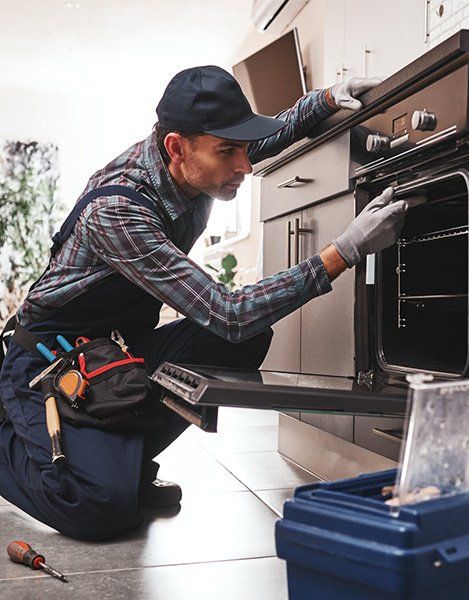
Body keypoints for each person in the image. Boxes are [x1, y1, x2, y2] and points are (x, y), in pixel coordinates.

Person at [0, 66, 411, 540]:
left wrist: (326, 98)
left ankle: (127, 465)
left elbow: (266, 136)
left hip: (113, 356)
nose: (246, 166)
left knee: (244, 340)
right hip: (46, 363)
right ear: (177, 147)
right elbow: (228, 314)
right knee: (99, 509)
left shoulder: (195, 156)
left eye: (240, 149)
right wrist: (344, 251)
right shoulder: (119, 211)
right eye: (229, 152)